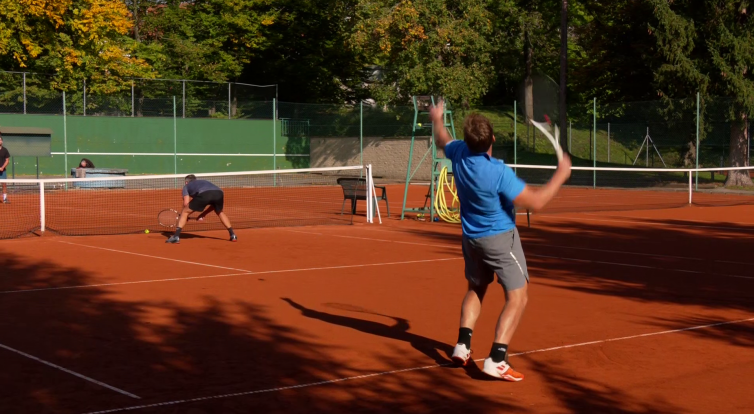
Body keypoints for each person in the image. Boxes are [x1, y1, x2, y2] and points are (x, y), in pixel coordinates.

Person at [429, 99, 571, 381]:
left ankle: (462, 345)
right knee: (518, 296)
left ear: (467, 141)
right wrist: (560, 176)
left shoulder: (458, 153)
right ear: (492, 138)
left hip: (471, 239)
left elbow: (442, 139)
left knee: (476, 288)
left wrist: (437, 117)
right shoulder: (498, 173)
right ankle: (496, 358)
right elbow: (536, 203)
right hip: (500, 239)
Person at [166, 174, 237, 244]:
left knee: (185, 212)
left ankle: (176, 236)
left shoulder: (186, 186)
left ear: (186, 182)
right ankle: (232, 235)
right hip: (219, 193)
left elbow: (186, 203)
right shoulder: (203, 182)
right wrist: (203, 214)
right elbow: (213, 206)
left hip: (204, 194)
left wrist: (184, 215)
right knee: (219, 212)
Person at [0, 133, 10, 204]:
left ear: (2, 142)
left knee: (4, 185)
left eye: (0, 140)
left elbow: (7, 160)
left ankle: (5, 199)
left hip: (3, 171)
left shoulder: (5, 150)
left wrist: (2, 167)